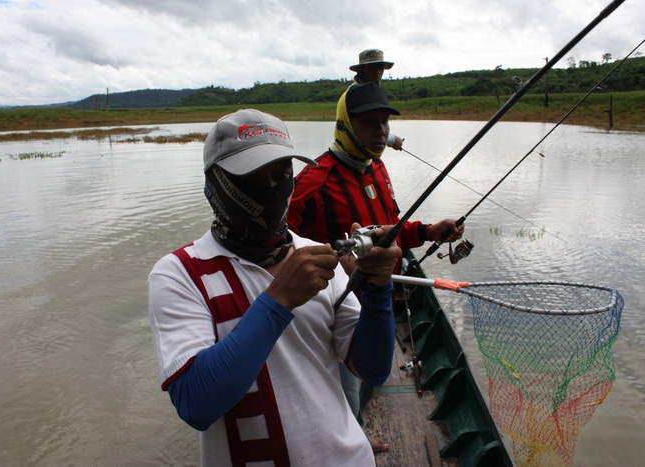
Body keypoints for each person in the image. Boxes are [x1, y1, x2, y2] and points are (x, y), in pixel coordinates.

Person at [148, 109, 402, 466]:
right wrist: (278, 300)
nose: (272, 189)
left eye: (282, 174)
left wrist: (378, 285)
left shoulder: (315, 255)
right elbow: (196, 405)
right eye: (253, 176)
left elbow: (372, 368)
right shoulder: (179, 274)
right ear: (215, 182)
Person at [287, 83, 464, 453]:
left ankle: (357, 428)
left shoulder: (378, 168)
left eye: (384, 122)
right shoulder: (314, 180)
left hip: (382, 296)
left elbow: (392, 228)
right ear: (345, 124)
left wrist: (430, 230)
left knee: (371, 378)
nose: (381, 131)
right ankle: (346, 443)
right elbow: (282, 245)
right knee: (348, 382)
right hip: (339, 306)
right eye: (370, 123)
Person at [350, 48, 404, 150]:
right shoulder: (357, 93)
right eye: (372, 67)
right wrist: (392, 139)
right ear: (361, 69)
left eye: (381, 67)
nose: (378, 72)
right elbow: (361, 133)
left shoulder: (368, 91)